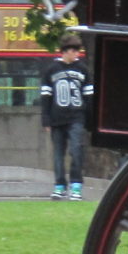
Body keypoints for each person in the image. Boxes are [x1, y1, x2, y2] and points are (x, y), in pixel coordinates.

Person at [39, 32, 94, 201]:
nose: (76, 54)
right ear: (65, 51)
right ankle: (59, 185)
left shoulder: (83, 69)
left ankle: (76, 186)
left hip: (77, 117)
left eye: (77, 50)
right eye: (73, 50)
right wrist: (46, 119)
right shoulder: (51, 70)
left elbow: (88, 96)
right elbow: (46, 97)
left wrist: (89, 119)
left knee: (76, 150)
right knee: (58, 153)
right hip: (57, 118)